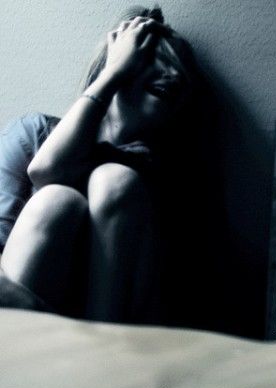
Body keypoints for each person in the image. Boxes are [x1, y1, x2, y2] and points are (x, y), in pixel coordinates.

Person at [0, 6, 204, 324]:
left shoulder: (168, 174)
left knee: (115, 180)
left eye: (180, 69)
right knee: (56, 200)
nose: (175, 74)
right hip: (24, 325)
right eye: (154, 58)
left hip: (121, 329)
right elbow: (46, 171)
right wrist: (111, 75)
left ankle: (98, 348)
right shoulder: (33, 134)